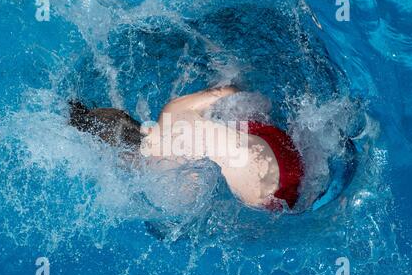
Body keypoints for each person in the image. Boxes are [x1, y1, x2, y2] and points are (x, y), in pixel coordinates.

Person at [69, 86, 304, 210]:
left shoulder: (157, 186)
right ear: (131, 120)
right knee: (235, 126)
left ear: (121, 157)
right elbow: (229, 93)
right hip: (281, 151)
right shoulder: (171, 112)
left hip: (272, 201)